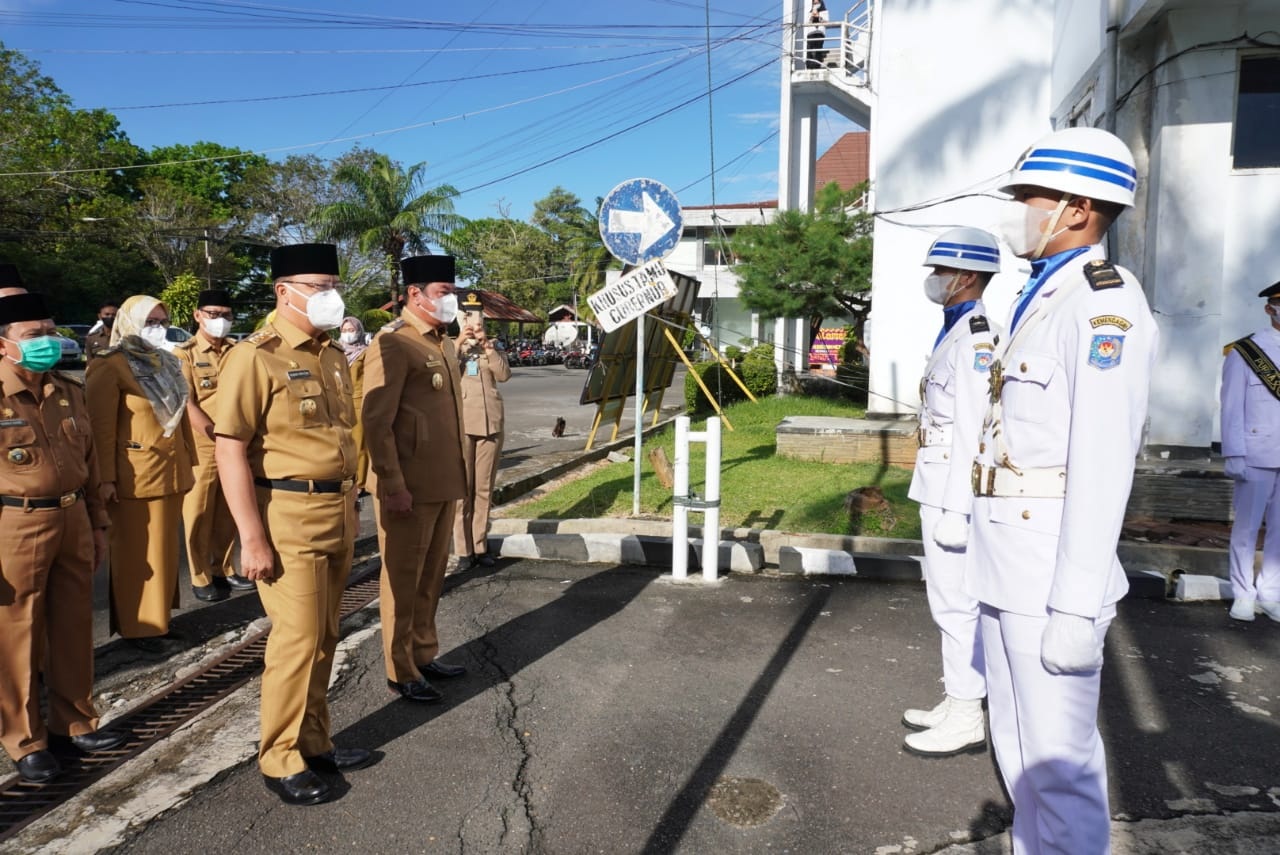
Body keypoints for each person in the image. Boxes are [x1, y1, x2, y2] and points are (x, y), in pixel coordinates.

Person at [964, 127, 1158, 854]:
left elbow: (1104, 459)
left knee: (1062, 763)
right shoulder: (1043, 295)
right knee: (1020, 753)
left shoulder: (1106, 304)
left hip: (1050, 575)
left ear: (1076, 208)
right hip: (1006, 561)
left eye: (1029, 197)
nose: (1019, 211)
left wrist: (1077, 603)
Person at [214, 243, 371, 806]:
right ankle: (279, 757)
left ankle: (315, 740)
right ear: (283, 291)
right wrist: (250, 537)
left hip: (336, 510)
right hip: (287, 516)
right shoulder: (255, 356)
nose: (331, 295)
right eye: (318, 285)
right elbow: (229, 449)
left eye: (333, 283)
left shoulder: (330, 354)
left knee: (327, 635)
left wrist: (352, 500)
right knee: (297, 640)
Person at [0, 289, 126, 783]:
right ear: (4, 345)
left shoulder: (67, 391)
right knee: (18, 634)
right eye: (33, 336)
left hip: (72, 516)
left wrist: (98, 526)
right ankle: (24, 739)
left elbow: (90, 465)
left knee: (73, 627)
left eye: (50, 332)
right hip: (16, 523)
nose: (47, 342)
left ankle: (74, 720)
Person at [902, 227, 1001, 757]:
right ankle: (960, 695)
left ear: (965, 277)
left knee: (956, 602)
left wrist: (960, 509)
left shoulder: (978, 337)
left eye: (939, 272)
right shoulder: (956, 329)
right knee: (947, 601)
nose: (933, 281)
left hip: (951, 490)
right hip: (937, 480)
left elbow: (974, 426)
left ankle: (967, 713)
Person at [361, 255, 468, 704]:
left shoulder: (440, 341)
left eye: (452, 292)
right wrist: (391, 483)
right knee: (402, 582)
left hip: (442, 481)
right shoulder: (393, 344)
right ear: (414, 295)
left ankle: (424, 652)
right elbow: (376, 422)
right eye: (444, 292)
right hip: (408, 488)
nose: (452, 300)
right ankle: (399, 668)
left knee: (430, 577)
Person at [86, 295, 195, 653]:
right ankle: (139, 628)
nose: (158, 328)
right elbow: (100, 429)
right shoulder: (110, 365)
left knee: (165, 550)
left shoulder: (166, 361)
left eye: (162, 321)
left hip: (170, 470)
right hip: (134, 473)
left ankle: (160, 619)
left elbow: (180, 420)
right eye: (150, 321)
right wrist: (104, 479)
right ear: (130, 323)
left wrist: (189, 460)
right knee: (138, 554)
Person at [174, 289, 252, 603]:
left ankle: (224, 568)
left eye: (226, 315)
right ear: (198, 315)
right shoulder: (185, 354)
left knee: (230, 510)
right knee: (199, 511)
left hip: (236, 443)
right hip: (203, 445)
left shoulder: (238, 351)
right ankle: (200, 575)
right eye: (213, 314)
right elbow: (186, 401)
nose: (220, 321)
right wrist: (212, 432)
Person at [1220, 280, 1280, 623]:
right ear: (1269, 308)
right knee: (1246, 529)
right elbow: (1231, 406)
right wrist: (1234, 453)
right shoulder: (1246, 352)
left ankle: (1271, 593)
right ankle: (1242, 592)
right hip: (1256, 454)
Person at [453, 289, 511, 569]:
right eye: (468, 317)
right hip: (462, 426)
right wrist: (459, 343)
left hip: (491, 424)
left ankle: (480, 545)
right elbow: (442, 372)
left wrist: (487, 345)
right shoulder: (451, 348)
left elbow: (504, 375)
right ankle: (463, 550)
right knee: (462, 491)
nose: (473, 323)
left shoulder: (491, 347)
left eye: (477, 318)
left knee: (484, 489)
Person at [806, 0, 829, 69]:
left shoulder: (824, 12)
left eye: (817, 3)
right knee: (809, 49)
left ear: (820, 3)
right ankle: (809, 65)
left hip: (819, 32)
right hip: (811, 32)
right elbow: (807, 22)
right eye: (814, 3)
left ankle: (817, 65)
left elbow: (826, 22)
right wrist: (812, 16)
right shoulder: (810, 12)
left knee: (818, 48)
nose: (815, 4)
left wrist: (819, 16)